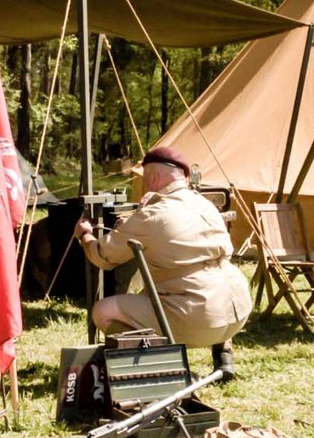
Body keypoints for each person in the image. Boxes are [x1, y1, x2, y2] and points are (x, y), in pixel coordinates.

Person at [74, 146, 250, 379]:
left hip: (199, 319)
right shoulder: (204, 204)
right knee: (209, 279)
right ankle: (224, 358)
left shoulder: (152, 214)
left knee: (103, 311)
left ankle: (164, 368)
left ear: (154, 177)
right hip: (236, 311)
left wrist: (85, 236)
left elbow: (102, 256)